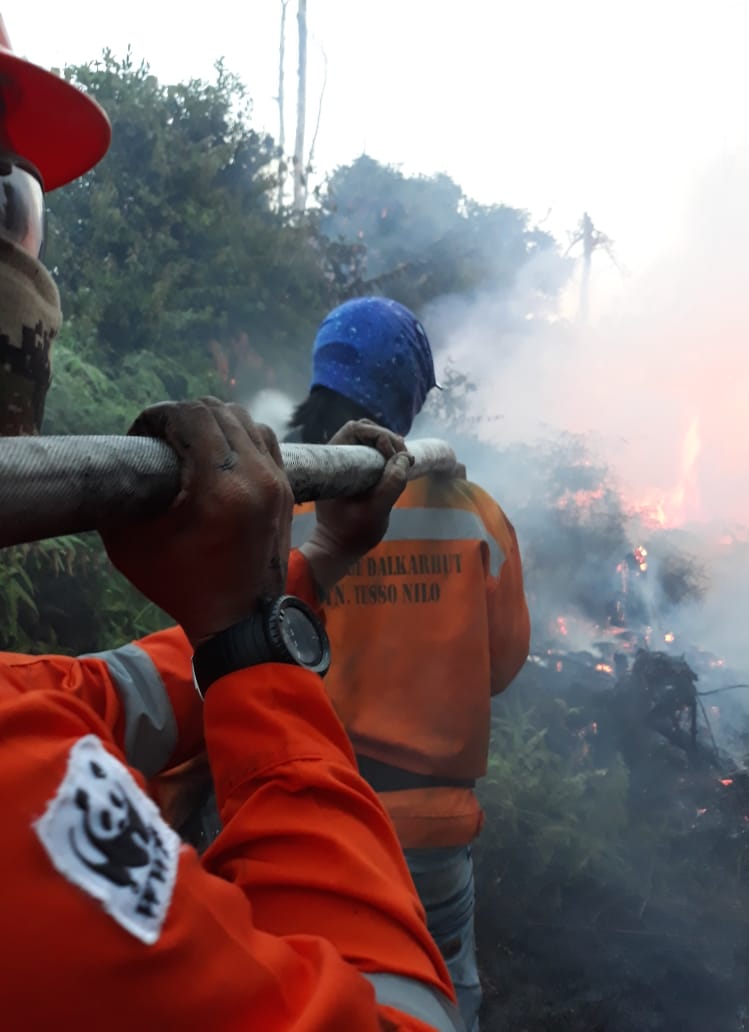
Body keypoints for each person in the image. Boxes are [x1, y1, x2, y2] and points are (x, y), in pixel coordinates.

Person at [0, 19, 463, 1031]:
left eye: (10, 200)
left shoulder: (24, 712)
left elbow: (115, 696)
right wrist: (254, 642)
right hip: (362, 833)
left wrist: (306, 572)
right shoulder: (17, 796)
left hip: (273, 813)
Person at [287, 296, 532, 1032]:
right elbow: (504, 664)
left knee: (312, 998)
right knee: (443, 997)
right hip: (432, 830)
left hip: (315, 818)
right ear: (410, 399)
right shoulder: (475, 513)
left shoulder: (285, 502)